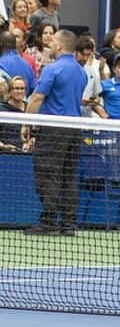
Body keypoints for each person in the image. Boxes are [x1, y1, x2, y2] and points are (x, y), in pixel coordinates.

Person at [24, 30, 87, 236]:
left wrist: (25, 123)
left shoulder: (52, 69)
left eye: (52, 43)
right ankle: (68, 224)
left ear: (59, 46)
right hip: (74, 129)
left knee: (47, 174)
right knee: (68, 176)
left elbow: (36, 98)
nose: (49, 46)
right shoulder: (81, 72)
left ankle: (49, 221)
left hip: (54, 129)